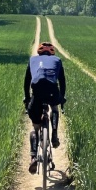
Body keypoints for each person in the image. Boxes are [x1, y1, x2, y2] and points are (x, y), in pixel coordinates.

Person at [23, 41, 66, 174]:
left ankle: (33, 157)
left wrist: (27, 99)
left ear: (39, 52)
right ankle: (54, 134)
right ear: (52, 52)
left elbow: (26, 83)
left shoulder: (33, 60)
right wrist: (61, 98)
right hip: (52, 90)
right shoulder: (57, 60)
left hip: (37, 91)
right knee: (54, 107)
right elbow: (62, 82)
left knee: (35, 127)